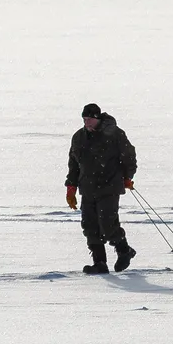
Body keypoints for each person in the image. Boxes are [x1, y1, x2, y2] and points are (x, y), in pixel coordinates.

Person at [65, 103, 138, 274]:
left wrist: (127, 176)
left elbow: (129, 156)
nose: (87, 123)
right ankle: (100, 263)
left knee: (107, 223)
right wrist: (71, 186)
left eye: (89, 119)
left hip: (109, 186)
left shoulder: (114, 133)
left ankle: (124, 250)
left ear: (97, 118)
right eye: (84, 119)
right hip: (88, 188)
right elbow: (73, 164)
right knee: (90, 226)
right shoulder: (78, 137)